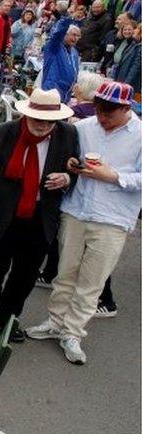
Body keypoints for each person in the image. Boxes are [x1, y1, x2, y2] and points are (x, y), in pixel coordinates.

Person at [27, 81, 141, 365]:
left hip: (113, 217)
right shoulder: (85, 126)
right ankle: (55, 322)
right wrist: (71, 167)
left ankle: (73, 332)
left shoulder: (139, 134)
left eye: (109, 115)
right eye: (100, 112)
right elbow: (67, 157)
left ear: (126, 109)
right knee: (65, 272)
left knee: (92, 282)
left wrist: (112, 175)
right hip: (77, 210)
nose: (102, 119)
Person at [0, 88, 80, 344]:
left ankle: (6, 318)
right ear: (26, 115)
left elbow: (75, 168)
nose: (42, 126)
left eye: (49, 122)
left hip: (41, 217)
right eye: (38, 120)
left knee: (25, 274)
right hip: (2, 215)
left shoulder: (68, 134)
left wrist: (66, 178)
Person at [41, 15, 81, 101]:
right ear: (65, 34)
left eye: (78, 36)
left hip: (66, 96)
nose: (75, 38)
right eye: (73, 35)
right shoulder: (54, 47)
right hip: (51, 93)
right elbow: (57, 34)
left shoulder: (74, 52)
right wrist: (68, 19)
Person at [111, 21, 142, 90]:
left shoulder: (138, 46)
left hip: (129, 84)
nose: (135, 31)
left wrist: (126, 84)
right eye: (125, 29)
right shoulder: (128, 43)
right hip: (120, 78)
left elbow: (135, 67)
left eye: (137, 29)